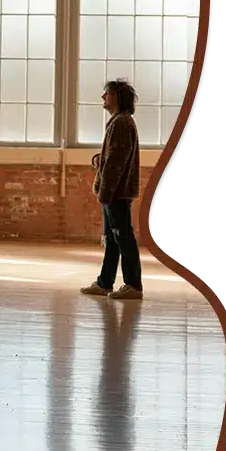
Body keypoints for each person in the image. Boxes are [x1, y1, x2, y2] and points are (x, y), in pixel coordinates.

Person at [81, 79, 144, 300]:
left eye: (106, 93)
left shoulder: (121, 123)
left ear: (117, 96)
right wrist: (100, 160)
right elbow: (112, 158)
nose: (103, 97)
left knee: (123, 237)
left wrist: (105, 193)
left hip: (116, 193)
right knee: (112, 238)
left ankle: (133, 285)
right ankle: (105, 283)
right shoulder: (119, 121)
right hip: (114, 192)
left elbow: (116, 163)